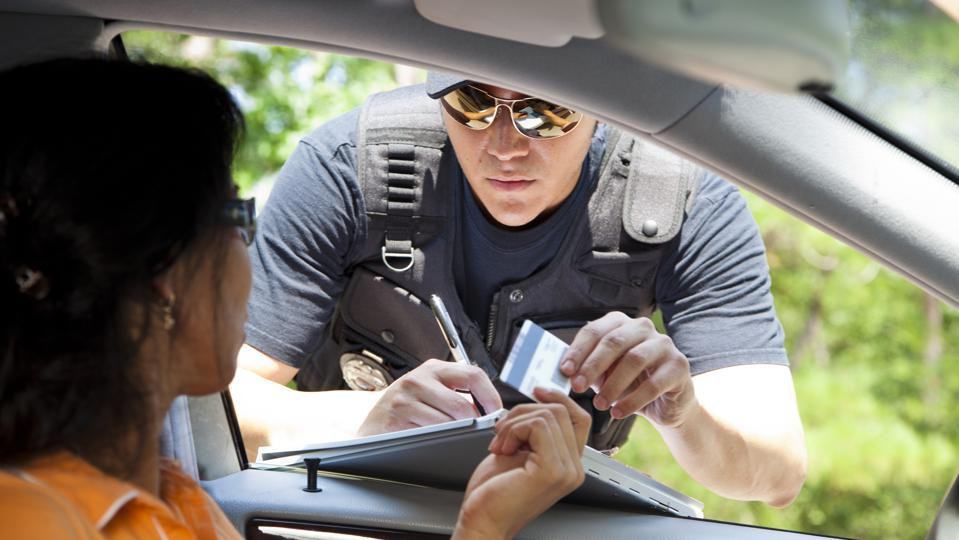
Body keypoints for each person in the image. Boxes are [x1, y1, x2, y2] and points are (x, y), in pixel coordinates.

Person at [0, 57, 590, 539]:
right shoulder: (40, 519)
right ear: (162, 277)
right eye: (234, 215)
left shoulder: (168, 496)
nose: (249, 249)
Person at [235, 75, 808, 506]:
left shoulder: (686, 202)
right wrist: (365, 422)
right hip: (352, 514)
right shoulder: (348, 170)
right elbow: (209, 401)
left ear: (603, 99)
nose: (505, 144)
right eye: (472, 103)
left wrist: (684, 416)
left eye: (547, 110)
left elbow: (777, 472)